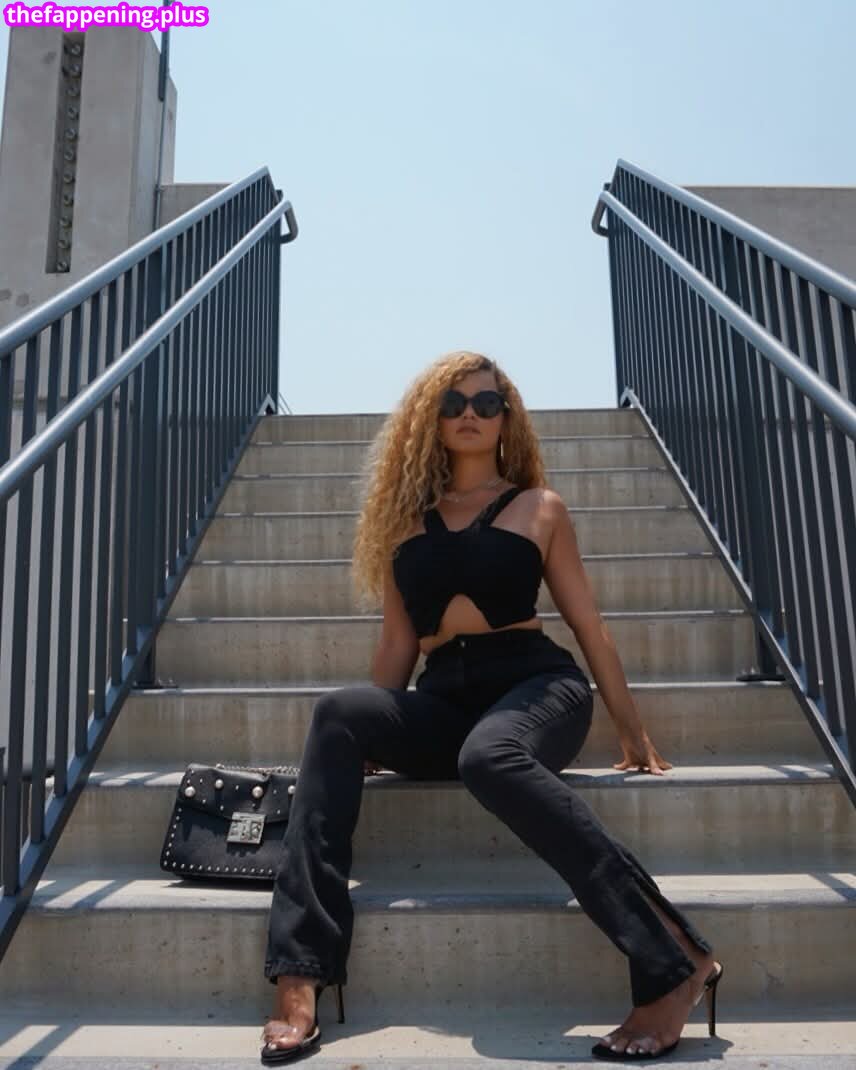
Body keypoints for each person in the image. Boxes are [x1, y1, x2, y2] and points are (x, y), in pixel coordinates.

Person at [260, 350, 723, 1064]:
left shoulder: (539, 508)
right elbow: (397, 644)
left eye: (485, 402)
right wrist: (375, 734)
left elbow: (588, 624)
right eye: (452, 404)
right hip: (445, 694)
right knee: (338, 713)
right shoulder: (403, 523)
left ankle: (673, 958)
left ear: (508, 419)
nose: (469, 414)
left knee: (490, 757)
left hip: (537, 686)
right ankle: (300, 971)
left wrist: (631, 730)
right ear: (431, 421)